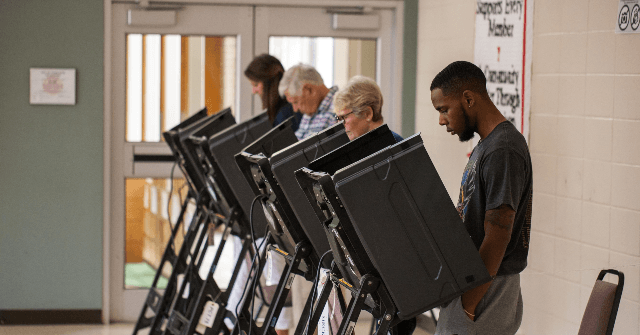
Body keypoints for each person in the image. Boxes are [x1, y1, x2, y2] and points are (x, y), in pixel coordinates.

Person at [429, 61, 532, 335]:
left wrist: (468, 304)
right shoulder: (487, 146)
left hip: (487, 289)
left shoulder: (504, 149)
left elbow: (498, 233)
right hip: (475, 285)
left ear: (468, 99)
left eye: (444, 109)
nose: (441, 119)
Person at [332, 75, 403, 142]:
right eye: (338, 118)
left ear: (367, 114)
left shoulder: (396, 145)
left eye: (344, 117)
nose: (340, 125)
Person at [278, 64, 338, 140]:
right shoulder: (311, 110)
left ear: (309, 90)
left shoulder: (340, 108)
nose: (295, 109)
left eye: (296, 102)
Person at [244, 54, 302, 131]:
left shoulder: (284, 115)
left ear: (270, 83)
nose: (253, 91)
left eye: (256, 84)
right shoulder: (283, 111)